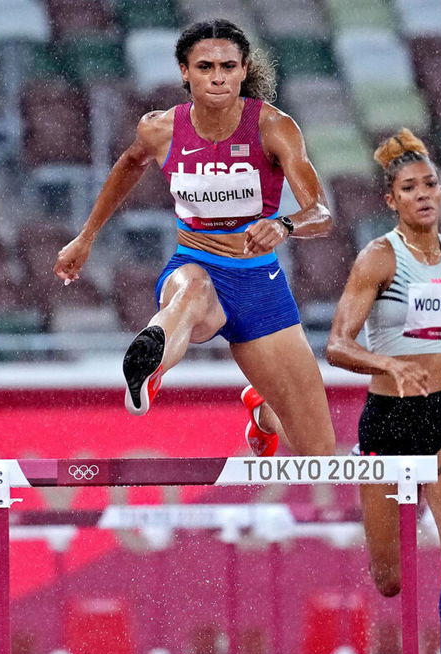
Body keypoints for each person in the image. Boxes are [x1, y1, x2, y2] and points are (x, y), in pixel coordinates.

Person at [243, 129, 441, 654]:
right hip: (390, 419)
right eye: (409, 187)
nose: (423, 194)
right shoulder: (378, 259)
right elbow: (336, 346)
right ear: (391, 200)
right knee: (389, 580)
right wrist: (387, 363)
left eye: (430, 184)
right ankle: (271, 414)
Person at [53, 18, 336, 455]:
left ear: (244, 70)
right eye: (205, 66)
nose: (218, 76)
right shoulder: (161, 129)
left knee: (319, 455)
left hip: (259, 287)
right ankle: (150, 363)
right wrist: (86, 237)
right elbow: (129, 164)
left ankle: (263, 410)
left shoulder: (275, 128)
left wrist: (284, 225)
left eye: (228, 66)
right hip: (196, 265)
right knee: (190, 292)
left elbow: (321, 213)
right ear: (185, 72)